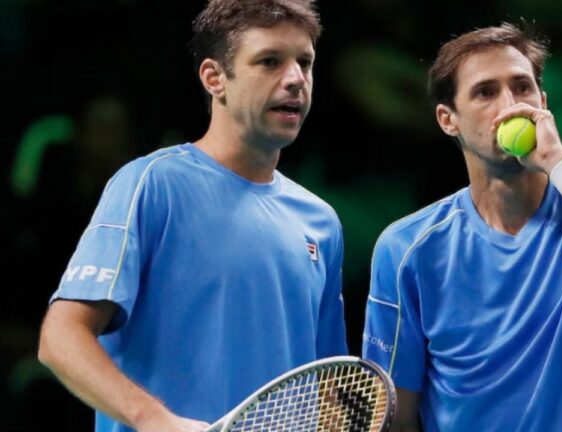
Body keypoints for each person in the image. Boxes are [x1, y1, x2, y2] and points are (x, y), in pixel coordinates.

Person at [37, 1, 348, 431]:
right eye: (270, 61)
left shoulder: (321, 222)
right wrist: (156, 419)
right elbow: (61, 339)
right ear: (214, 78)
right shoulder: (152, 184)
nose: (296, 79)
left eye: (305, 63)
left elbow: (326, 386)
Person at [362, 23, 562, 431]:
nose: (510, 105)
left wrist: (559, 161)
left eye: (522, 88)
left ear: (543, 103)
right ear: (448, 120)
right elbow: (395, 418)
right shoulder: (407, 249)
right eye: (485, 92)